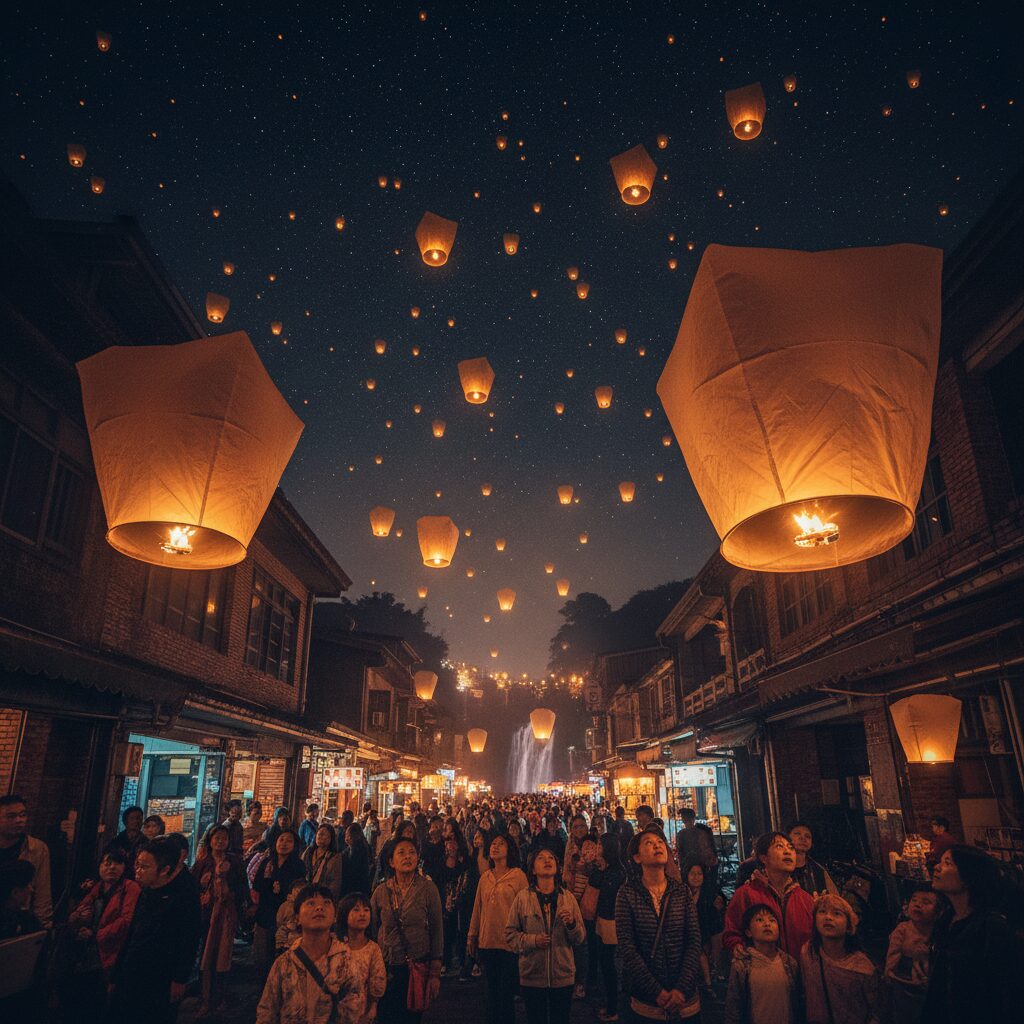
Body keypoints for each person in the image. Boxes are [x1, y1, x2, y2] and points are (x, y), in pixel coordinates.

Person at [923, 845, 1019, 1023]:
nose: (937, 866)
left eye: (947, 863)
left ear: (968, 877)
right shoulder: (946, 919)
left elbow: (1006, 993)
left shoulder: (991, 927)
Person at [110, 836, 201, 1024]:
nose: (138, 871)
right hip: (132, 972)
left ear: (164, 870)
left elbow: (189, 938)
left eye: (144, 867)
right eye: (137, 864)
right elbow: (133, 933)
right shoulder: (146, 890)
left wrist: (180, 978)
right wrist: (117, 974)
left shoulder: (184, 894)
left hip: (161, 978)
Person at [615, 828, 702, 1021]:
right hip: (646, 1002)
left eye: (660, 842)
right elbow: (627, 947)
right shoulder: (627, 894)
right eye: (649, 843)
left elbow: (694, 941)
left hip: (685, 1000)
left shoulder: (681, 892)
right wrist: (658, 992)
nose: (657, 845)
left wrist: (680, 989)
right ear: (637, 858)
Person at [256, 884, 360, 1024]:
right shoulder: (284, 963)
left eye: (326, 903)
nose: (319, 907)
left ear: (334, 916)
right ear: (297, 917)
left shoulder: (346, 962)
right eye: (311, 903)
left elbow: (353, 1012)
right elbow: (267, 1012)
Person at [505, 847, 586, 1024]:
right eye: (541, 858)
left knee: (561, 1018)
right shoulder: (523, 898)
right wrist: (533, 940)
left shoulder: (568, 898)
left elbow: (579, 938)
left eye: (551, 858)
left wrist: (572, 924)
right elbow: (510, 935)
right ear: (533, 869)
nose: (547, 860)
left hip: (563, 976)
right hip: (532, 975)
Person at [370, 836, 443, 1024]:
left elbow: (436, 928)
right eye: (401, 853)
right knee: (386, 1016)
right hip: (387, 966)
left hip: (417, 965)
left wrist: (435, 971)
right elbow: (371, 927)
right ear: (391, 861)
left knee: (411, 1017)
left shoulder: (428, 888)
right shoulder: (380, 892)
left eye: (412, 853)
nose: (407, 857)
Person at [63, 845, 140, 1003]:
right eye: (107, 863)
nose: (111, 867)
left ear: (125, 867)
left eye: (117, 863)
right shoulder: (98, 887)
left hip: (113, 955)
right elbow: (81, 910)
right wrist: (76, 917)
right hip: (91, 953)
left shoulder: (130, 888)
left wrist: (96, 935)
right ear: (99, 866)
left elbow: (126, 921)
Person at [467, 832, 528, 1024]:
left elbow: (525, 910)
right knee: (490, 992)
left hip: (509, 944)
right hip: (487, 941)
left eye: (500, 844)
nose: (495, 847)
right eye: (493, 844)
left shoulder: (518, 876)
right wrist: (472, 935)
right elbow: (477, 908)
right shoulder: (485, 877)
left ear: (509, 849)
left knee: (505, 994)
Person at [724, 832, 815, 960]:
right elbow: (732, 931)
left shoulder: (806, 899)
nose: (787, 852)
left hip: (803, 975)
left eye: (790, 848)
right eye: (779, 846)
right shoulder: (746, 894)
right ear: (764, 858)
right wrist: (736, 945)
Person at [192, 823, 248, 1016]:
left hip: (227, 914)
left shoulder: (235, 862)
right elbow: (194, 889)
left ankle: (220, 996)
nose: (221, 841)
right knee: (206, 956)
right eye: (217, 838)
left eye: (224, 838)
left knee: (223, 955)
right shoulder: (202, 863)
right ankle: (205, 998)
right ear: (210, 840)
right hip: (207, 915)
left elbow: (242, 887)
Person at [800, 892, 879, 1024]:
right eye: (822, 911)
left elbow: (876, 1011)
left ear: (849, 926)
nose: (828, 917)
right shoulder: (808, 953)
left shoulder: (862, 966)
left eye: (837, 913)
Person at [725, 903, 800, 1024]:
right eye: (759, 920)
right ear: (748, 932)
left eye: (772, 920)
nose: (767, 924)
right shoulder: (741, 966)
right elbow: (733, 1007)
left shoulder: (790, 963)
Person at [252, 829, 307, 975]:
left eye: (289, 841)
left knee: (282, 955)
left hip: (286, 916)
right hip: (265, 912)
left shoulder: (298, 865)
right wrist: (269, 884)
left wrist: (281, 885)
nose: (284, 844)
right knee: (263, 956)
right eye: (281, 840)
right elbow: (257, 884)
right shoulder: (267, 862)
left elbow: (299, 888)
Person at [885, 889, 941, 1024]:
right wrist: (889, 972)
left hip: (928, 986)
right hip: (904, 983)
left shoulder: (938, 932)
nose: (917, 904)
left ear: (938, 912)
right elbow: (894, 952)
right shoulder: (903, 929)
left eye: (925, 902)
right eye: (914, 900)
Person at [0, 794, 52, 930]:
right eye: (11, 816)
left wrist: (43, 927)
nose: (19, 820)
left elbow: (42, 892)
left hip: (16, 923)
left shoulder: (36, 849)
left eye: (23, 815)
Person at [589, 833, 626, 1022]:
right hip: (604, 923)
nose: (597, 847)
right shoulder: (612, 870)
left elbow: (602, 894)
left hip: (612, 924)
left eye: (600, 844)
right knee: (607, 966)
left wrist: (599, 871)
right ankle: (612, 1005)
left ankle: (614, 1009)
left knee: (610, 967)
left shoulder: (616, 873)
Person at [563, 813, 598, 999]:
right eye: (575, 826)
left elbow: (595, 868)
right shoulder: (570, 846)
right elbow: (566, 869)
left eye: (582, 825)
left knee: (586, 941)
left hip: (588, 896)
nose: (579, 829)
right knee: (575, 940)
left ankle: (585, 981)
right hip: (572, 896)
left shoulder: (591, 843)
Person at [339, 892, 387, 1024]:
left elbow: (378, 979)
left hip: (362, 1012)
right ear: (344, 914)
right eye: (356, 910)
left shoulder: (373, 948)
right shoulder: (335, 946)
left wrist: (373, 1008)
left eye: (366, 910)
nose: (362, 914)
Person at [684, 855, 725, 989]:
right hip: (692, 932)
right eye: (693, 874)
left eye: (699, 874)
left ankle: (713, 977)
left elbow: (721, 904)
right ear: (687, 875)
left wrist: (720, 903)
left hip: (709, 929)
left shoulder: (710, 892)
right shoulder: (682, 892)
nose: (696, 877)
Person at [435, 834, 469, 974]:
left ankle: (461, 962)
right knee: (446, 934)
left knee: (460, 933)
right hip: (444, 903)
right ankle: (446, 961)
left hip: (459, 904)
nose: (452, 847)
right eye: (449, 844)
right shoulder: (440, 864)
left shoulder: (462, 865)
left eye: (455, 844)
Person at [788, 823, 837, 897]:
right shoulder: (781, 868)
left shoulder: (819, 870)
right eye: (797, 834)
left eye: (807, 836)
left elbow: (836, 900)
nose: (803, 838)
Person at [677, 807, 718, 887]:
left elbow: (680, 854)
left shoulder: (682, 834)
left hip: (691, 867)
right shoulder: (703, 831)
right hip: (702, 866)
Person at [0, 858, 41, 938]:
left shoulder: (27, 920)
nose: (31, 890)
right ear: (15, 893)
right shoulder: (25, 922)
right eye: (27, 885)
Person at [303, 823, 344, 901]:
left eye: (323, 834)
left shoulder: (334, 857)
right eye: (318, 834)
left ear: (330, 838)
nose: (319, 837)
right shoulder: (309, 852)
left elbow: (335, 882)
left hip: (322, 897)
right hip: (305, 895)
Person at [107, 805, 146, 879]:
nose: (136, 821)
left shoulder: (146, 842)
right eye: (132, 818)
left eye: (139, 818)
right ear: (125, 821)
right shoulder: (116, 841)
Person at [277, 877, 311, 953]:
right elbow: (280, 923)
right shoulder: (287, 907)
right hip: (290, 943)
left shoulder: (285, 906)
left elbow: (279, 922)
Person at [342, 822, 372, 897]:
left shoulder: (357, 849)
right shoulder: (353, 848)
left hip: (355, 886)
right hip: (360, 885)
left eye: (348, 835)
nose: (346, 837)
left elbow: (353, 868)